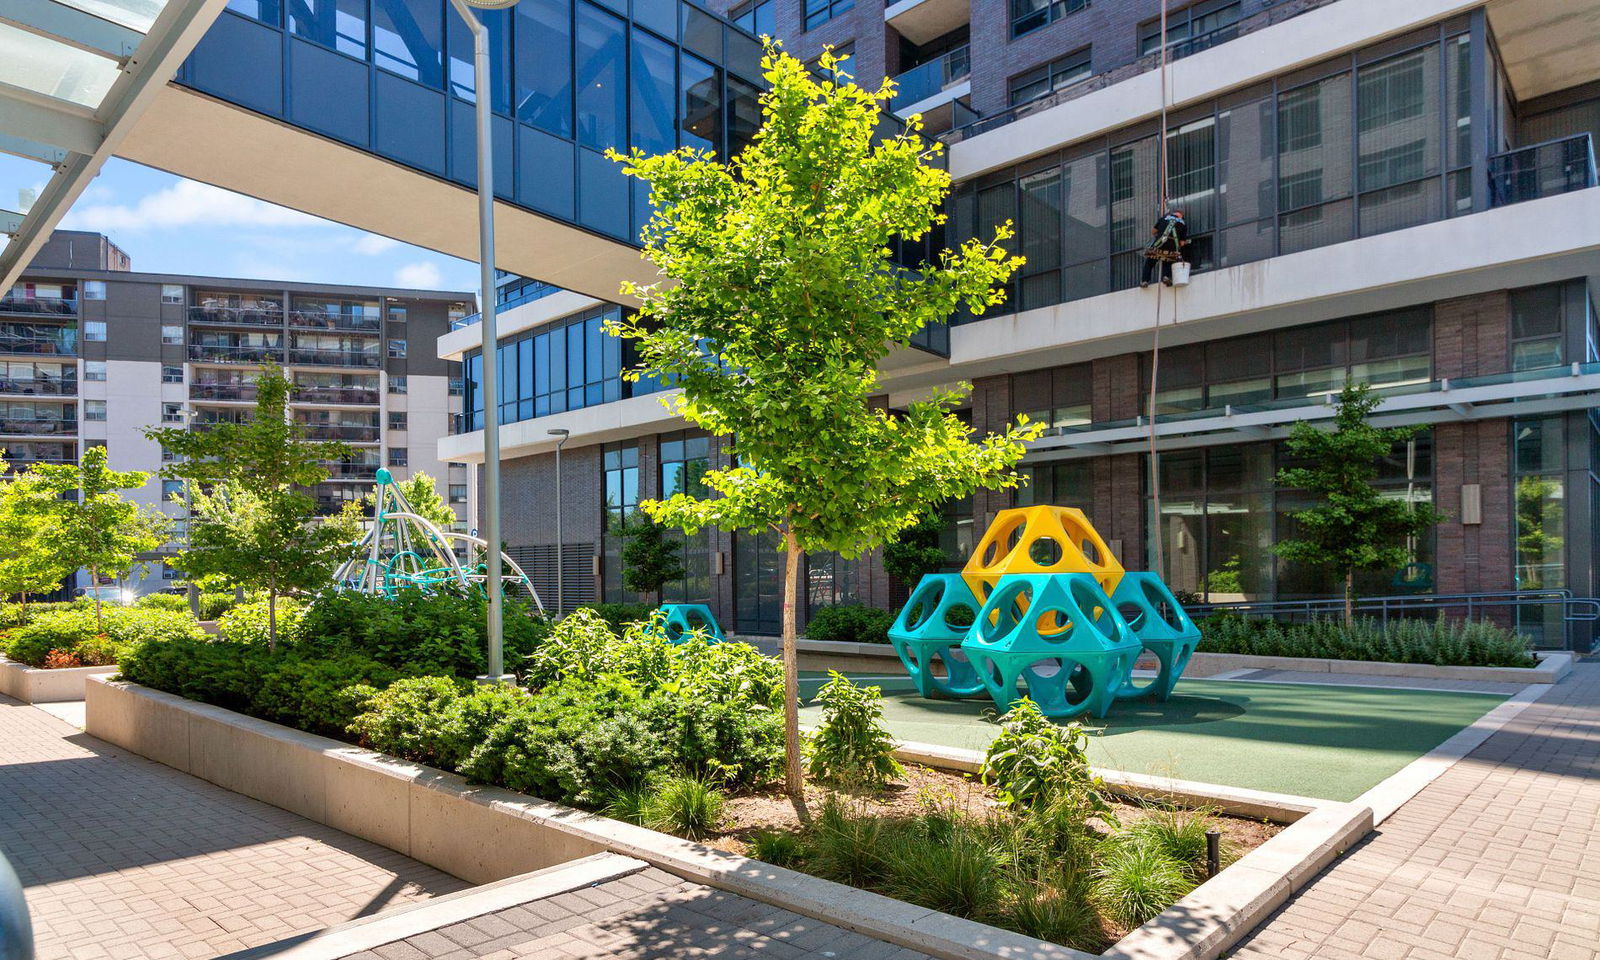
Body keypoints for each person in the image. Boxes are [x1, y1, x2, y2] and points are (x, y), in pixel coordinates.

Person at [1141, 208, 1190, 287]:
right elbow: (1182, 243)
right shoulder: (1183, 223)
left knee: (1149, 262)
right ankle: (1166, 277)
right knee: (1168, 259)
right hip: (1172, 246)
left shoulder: (1163, 218)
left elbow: (1153, 231)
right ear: (1181, 216)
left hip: (1159, 243)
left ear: (1173, 213)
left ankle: (1145, 280)